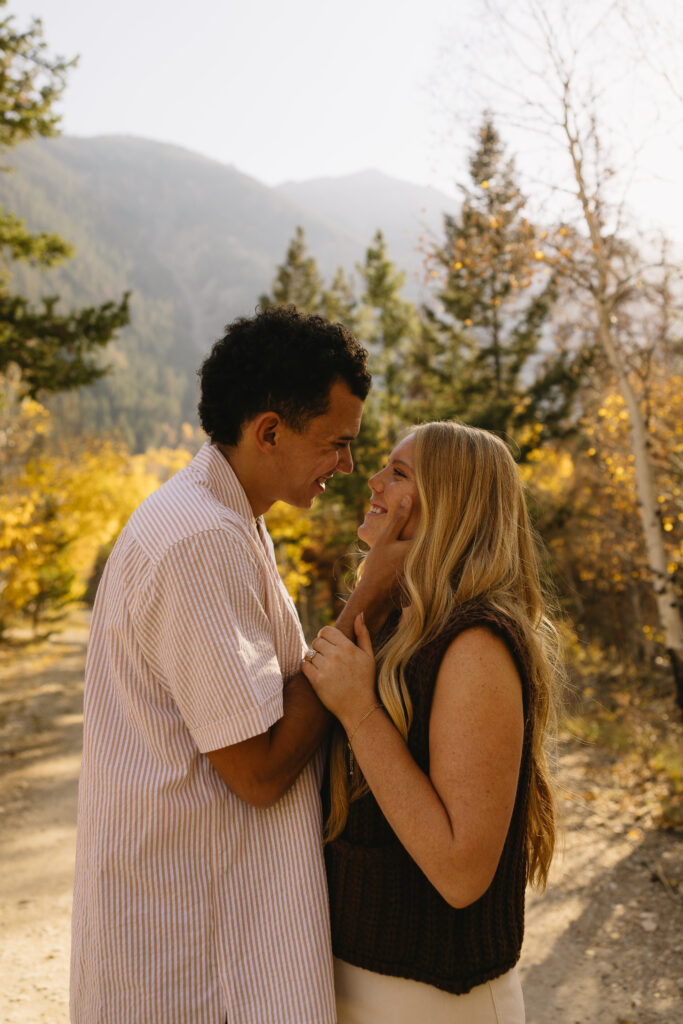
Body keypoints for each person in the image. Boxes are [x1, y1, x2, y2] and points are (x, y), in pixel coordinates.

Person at [70, 305, 412, 1024]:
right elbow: (256, 772)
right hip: (200, 951)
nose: (348, 468)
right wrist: (368, 604)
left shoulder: (223, 520)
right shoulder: (200, 540)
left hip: (199, 924)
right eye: (337, 444)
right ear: (268, 431)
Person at [302, 421, 562, 1024]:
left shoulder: (475, 643)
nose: (371, 481)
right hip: (353, 980)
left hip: (435, 1000)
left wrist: (360, 711)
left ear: (453, 504)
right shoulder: (399, 626)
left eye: (398, 473)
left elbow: (461, 870)